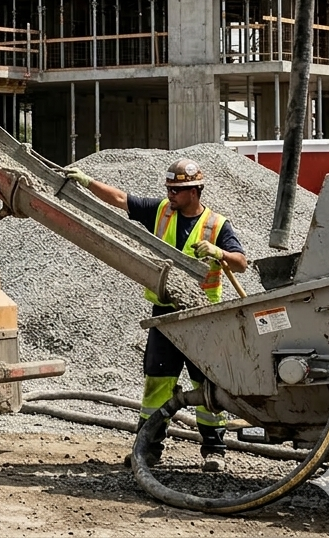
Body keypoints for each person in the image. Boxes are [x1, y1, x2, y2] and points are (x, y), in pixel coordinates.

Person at [62, 158, 248, 472]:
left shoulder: (217, 225)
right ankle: (147, 450)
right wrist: (87, 181)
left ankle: (214, 450)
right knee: (157, 384)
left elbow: (241, 262)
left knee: (207, 385)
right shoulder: (162, 212)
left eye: (177, 190)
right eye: (169, 189)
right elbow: (122, 199)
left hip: (203, 317)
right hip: (165, 315)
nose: (171, 194)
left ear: (194, 191)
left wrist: (219, 253)